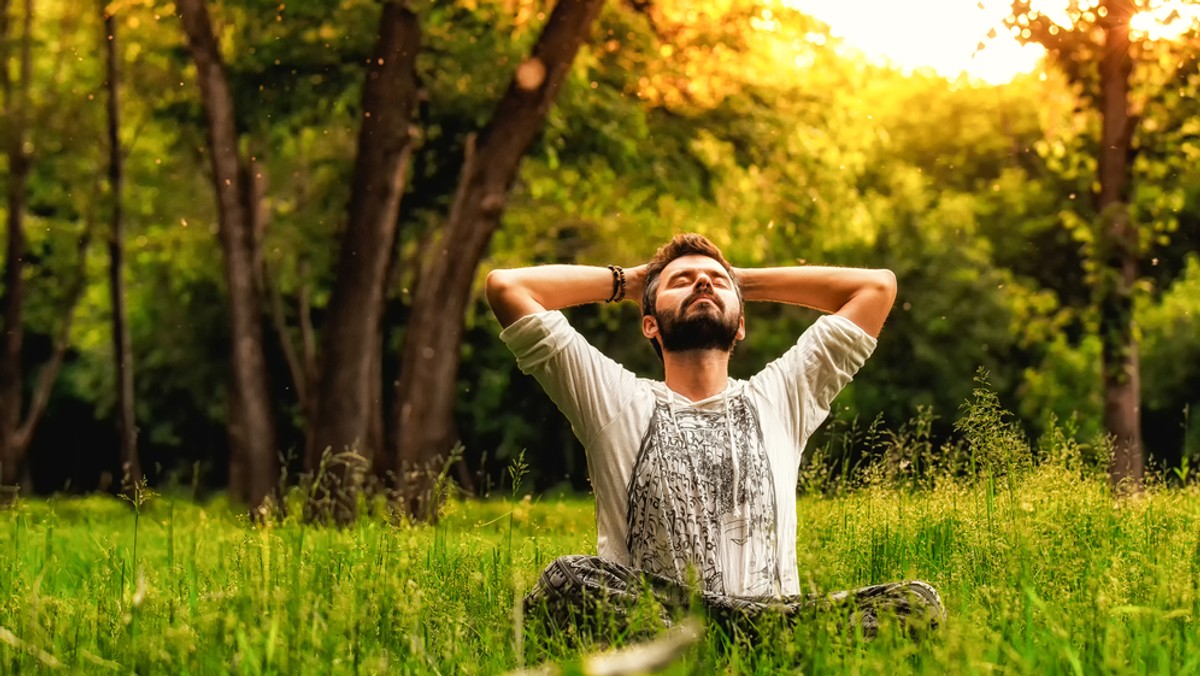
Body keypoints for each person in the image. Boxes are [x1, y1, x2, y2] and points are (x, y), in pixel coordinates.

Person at [485, 233, 944, 638]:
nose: (703, 282)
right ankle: (707, 647)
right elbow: (509, 287)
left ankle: (719, 648)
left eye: (715, 281)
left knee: (915, 603)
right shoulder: (615, 400)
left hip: (773, 623)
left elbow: (876, 286)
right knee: (569, 579)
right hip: (658, 620)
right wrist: (631, 281)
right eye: (681, 281)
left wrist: (739, 278)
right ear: (650, 324)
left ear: (740, 324)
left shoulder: (782, 396)